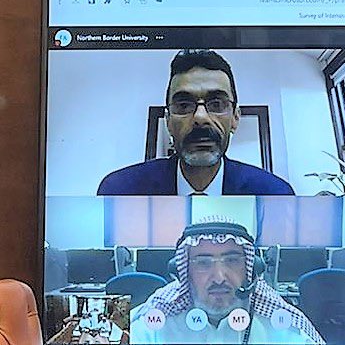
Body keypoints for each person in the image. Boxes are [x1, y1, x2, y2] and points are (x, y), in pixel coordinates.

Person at [97, 49, 294, 196]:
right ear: (168, 121)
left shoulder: (275, 195)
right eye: (184, 105)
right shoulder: (120, 191)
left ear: (235, 118)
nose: (200, 117)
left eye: (217, 104)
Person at [130, 216, 324, 344]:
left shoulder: (281, 325)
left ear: (251, 269)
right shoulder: (155, 324)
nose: (219, 277)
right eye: (203, 263)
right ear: (184, 272)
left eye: (232, 261)